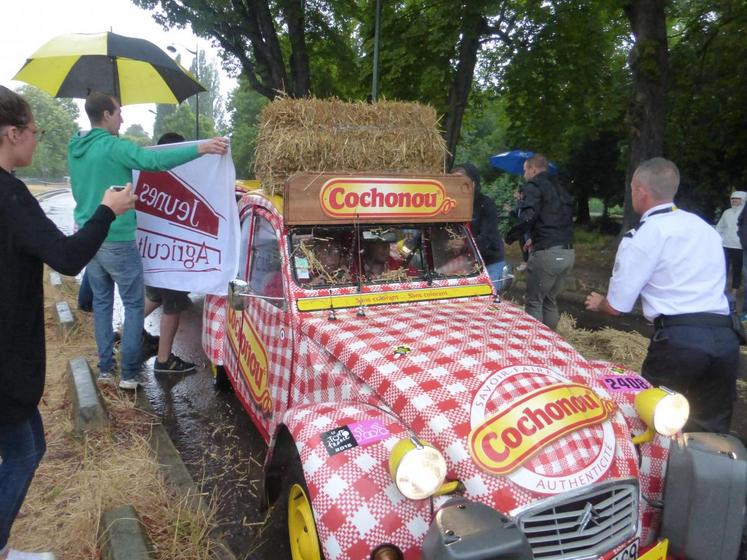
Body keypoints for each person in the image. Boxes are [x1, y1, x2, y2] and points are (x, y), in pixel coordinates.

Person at [0, 85, 136, 560]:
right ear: (13, 133)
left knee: (28, 445)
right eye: (34, 131)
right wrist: (106, 211)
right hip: (6, 360)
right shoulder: (11, 196)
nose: (38, 140)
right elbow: (66, 257)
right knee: (23, 451)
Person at [69, 91, 228, 390]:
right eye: (118, 112)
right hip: (117, 237)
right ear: (106, 115)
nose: (122, 118)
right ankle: (129, 374)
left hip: (88, 237)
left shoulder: (75, 147)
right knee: (131, 306)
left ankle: (105, 369)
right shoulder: (113, 147)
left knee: (102, 304)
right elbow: (152, 160)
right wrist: (201, 148)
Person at [585, 157, 739, 434]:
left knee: (653, 424)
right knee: (711, 433)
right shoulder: (704, 228)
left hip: (680, 344)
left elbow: (618, 306)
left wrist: (600, 303)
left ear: (640, 190)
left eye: (632, 188)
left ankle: (650, 477)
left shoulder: (643, 236)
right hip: (725, 340)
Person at [143, 133, 196, 374]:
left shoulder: (148, 175)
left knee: (153, 297)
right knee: (172, 306)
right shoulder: (178, 180)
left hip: (154, 254)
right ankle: (164, 360)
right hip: (172, 256)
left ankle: (124, 336)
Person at [505, 153, 574, 330]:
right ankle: (551, 344)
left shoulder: (533, 186)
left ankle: (533, 346)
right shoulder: (560, 188)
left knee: (534, 302)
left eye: (525, 170)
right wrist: (534, 238)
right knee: (549, 300)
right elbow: (553, 219)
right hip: (567, 252)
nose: (524, 175)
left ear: (533, 169)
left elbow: (528, 218)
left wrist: (510, 237)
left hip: (547, 255)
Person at [453, 163, 505, 287]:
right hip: (466, 261)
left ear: (473, 183)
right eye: (452, 182)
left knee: (488, 298)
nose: (455, 187)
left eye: (459, 182)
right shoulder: (452, 205)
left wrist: (464, 243)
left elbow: (488, 237)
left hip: (489, 261)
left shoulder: (486, 204)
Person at [715, 191, 746, 297]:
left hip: (740, 246)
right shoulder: (727, 212)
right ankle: (722, 287)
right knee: (723, 267)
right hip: (726, 245)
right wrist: (719, 239)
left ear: (743, 200)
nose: (734, 201)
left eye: (737, 198)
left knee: (738, 269)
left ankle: (735, 289)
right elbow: (720, 227)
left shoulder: (745, 213)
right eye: (732, 198)